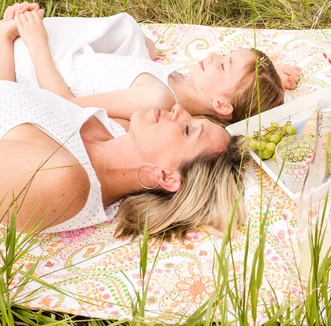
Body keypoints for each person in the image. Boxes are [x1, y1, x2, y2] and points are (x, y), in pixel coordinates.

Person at [0, 19, 249, 238]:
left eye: (187, 130)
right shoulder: (117, 131)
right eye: (195, 118)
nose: (180, 111)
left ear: (166, 176)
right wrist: (5, 37)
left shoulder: (63, 182)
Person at [2, 2, 301, 128]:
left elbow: (65, 103)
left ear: (222, 105)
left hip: (30, 74)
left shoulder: (156, 98)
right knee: (136, 37)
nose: (213, 56)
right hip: (40, 57)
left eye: (223, 66)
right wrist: (273, 78)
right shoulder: (180, 83)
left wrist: (35, 40)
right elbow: (145, 53)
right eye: (225, 55)